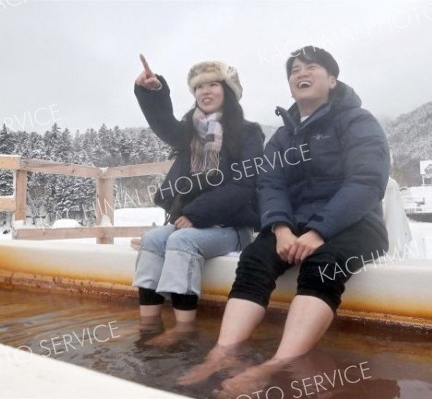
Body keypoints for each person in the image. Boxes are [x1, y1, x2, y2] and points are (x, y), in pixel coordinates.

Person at [180, 46, 390, 391]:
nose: (300, 74)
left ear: (333, 80)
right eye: (294, 71)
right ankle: (221, 353)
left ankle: (276, 364)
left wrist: (319, 231)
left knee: (322, 265)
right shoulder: (282, 136)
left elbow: (367, 182)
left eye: (311, 68)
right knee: (253, 259)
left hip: (356, 224)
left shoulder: (357, 121)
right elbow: (270, 184)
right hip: (294, 226)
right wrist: (279, 228)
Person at [132, 54, 264, 341]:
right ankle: (149, 324)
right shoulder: (189, 132)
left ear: (228, 91)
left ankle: (184, 329)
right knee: (153, 239)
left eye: (213, 84)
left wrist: (196, 214)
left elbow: (244, 186)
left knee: (181, 240)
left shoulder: (248, 133)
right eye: (199, 87)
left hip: (232, 227)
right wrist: (153, 92)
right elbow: (164, 124)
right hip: (190, 221)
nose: (205, 91)